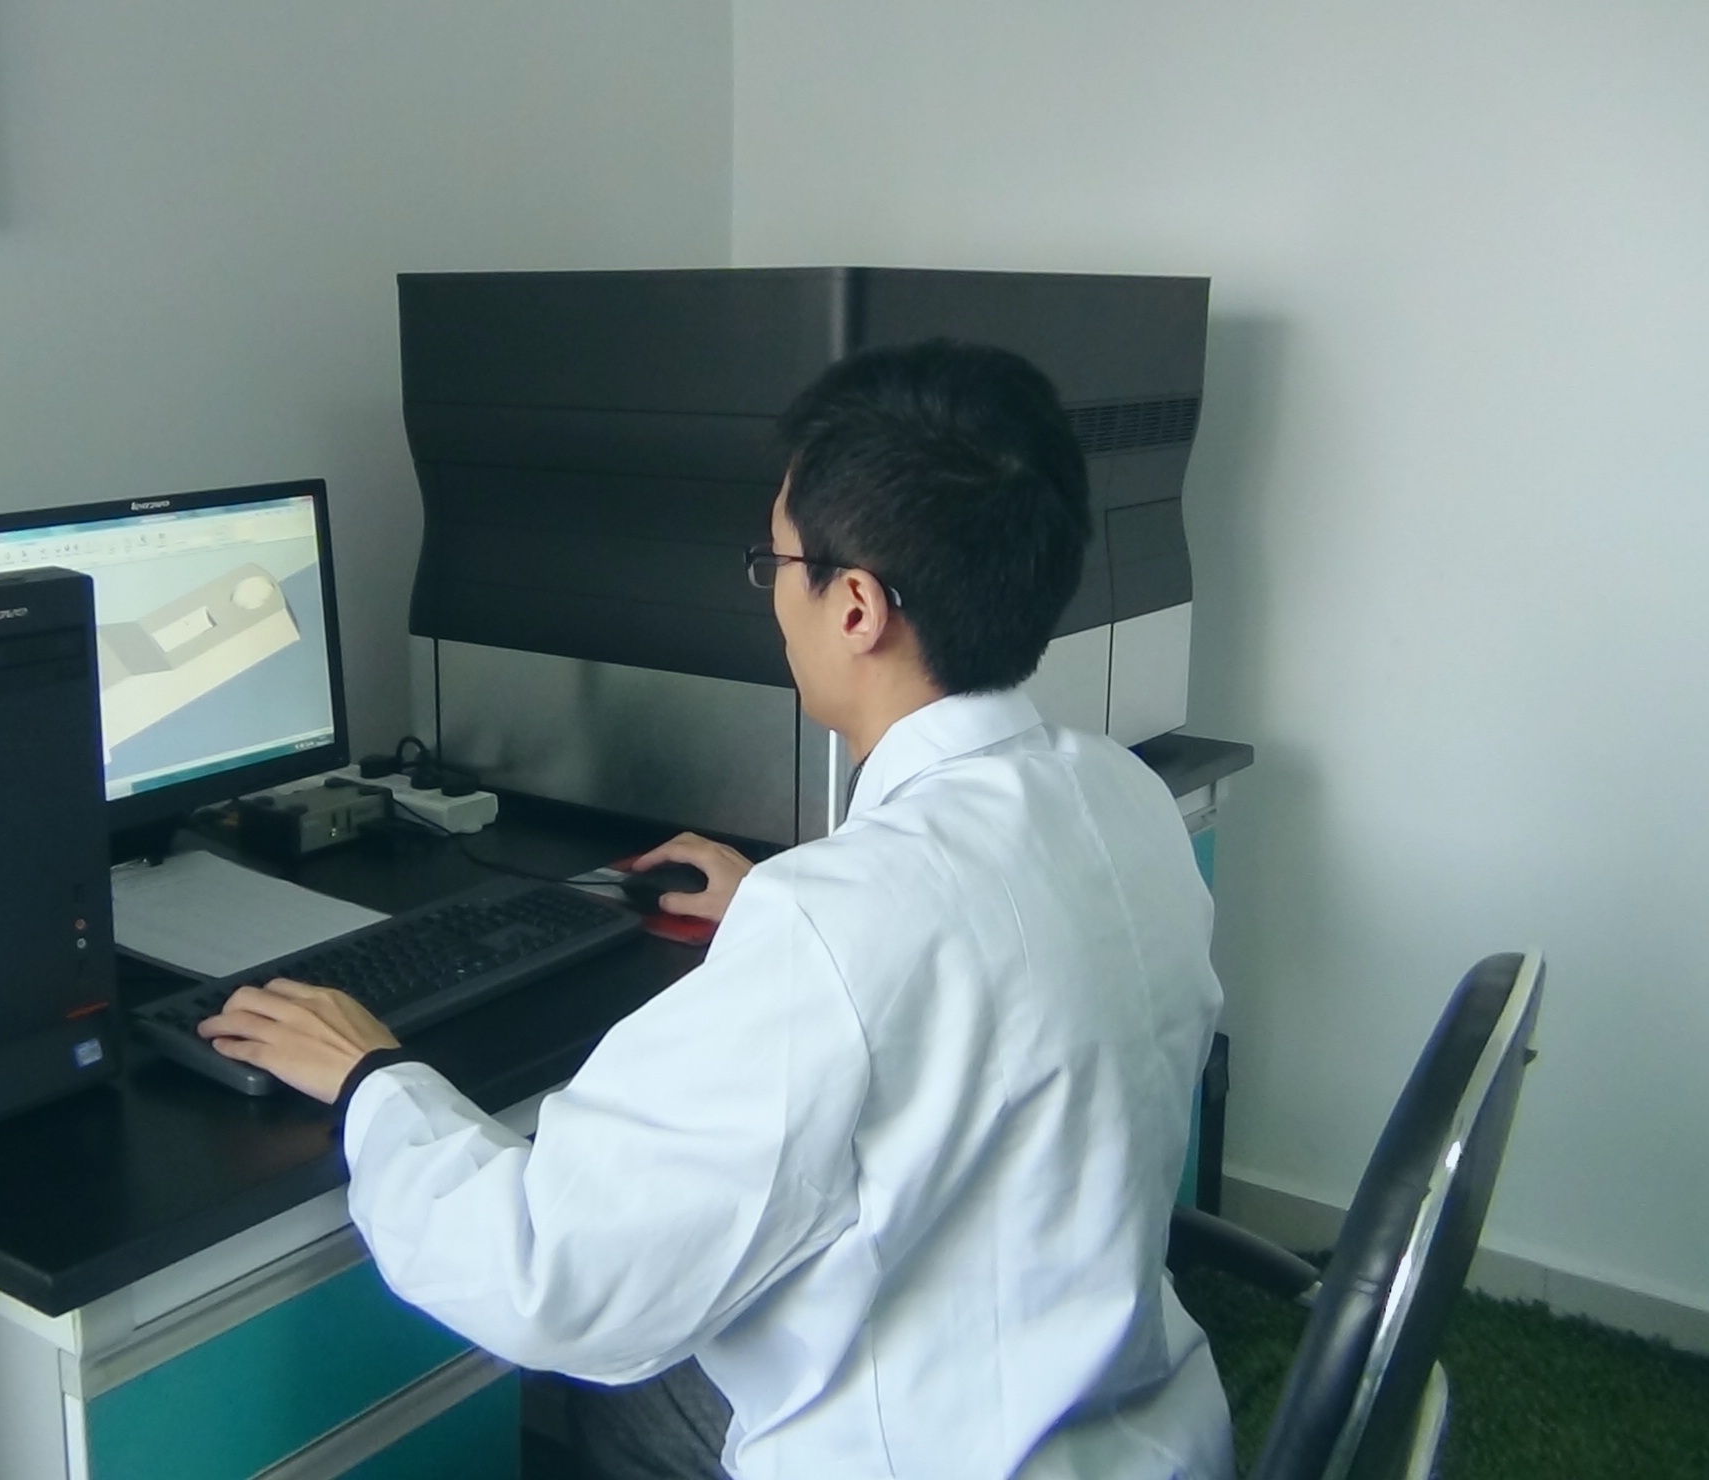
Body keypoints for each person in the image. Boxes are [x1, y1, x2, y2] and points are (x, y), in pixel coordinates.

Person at [199, 339, 1232, 1480]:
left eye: (773, 562)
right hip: (1138, 1426)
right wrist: (782, 911)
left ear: (855, 608)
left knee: (616, 1379)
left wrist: (374, 1082)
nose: (771, 597)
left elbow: (555, 1277)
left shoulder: (839, 923)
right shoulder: (1121, 797)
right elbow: (991, 975)